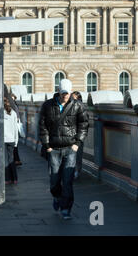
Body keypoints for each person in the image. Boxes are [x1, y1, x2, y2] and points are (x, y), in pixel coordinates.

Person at [39, 79, 89, 220]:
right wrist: (47, 146)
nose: (65, 96)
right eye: (63, 93)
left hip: (70, 148)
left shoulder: (78, 106)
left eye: (67, 93)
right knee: (54, 180)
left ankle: (66, 208)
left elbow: (84, 124)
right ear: (58, 91)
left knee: (67, 180)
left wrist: (77, 143)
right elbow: (42, 126)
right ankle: (56, 196)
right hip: (53, 149)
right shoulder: (48, 105)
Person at [71, 91, 86, 180]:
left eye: (74, 99)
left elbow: (84, 124)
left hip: (77, 135)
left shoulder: (81, 108)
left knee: (78, 154)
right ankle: (73, 171)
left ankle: (77, 171)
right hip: (70, 135)